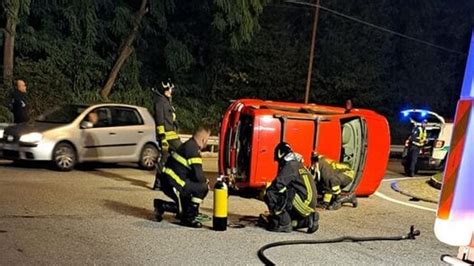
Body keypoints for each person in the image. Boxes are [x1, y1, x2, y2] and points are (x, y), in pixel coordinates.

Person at [153, 127, 211, 228]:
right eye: (207, 139)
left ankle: (162, 206)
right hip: (175, 183)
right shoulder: (193, 150)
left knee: (186, 205)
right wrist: (206, 182)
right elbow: (199, 175)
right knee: (203, 188)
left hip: (169, 181)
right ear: (203, 139)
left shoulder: (188, 145)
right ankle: (188, 218)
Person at [260, 142, 319, 233]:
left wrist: (266, 193)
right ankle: (307, 220)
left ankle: (283, 223)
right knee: (283, 195)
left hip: (304, 203)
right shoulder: (298, 165)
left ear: (281, 154)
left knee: (270, 193)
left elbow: (277, 185)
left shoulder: (290, 166)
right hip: (307, 202)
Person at [152, 80, 182, 190]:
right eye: (169, 89)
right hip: (167, 137)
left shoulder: (166, 101)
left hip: (171, 134)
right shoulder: (160, 102)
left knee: (165, 160)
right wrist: (163, 138)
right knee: (184, 152)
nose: (171, 91)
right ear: (164, 90)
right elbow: (159, 120)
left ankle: (159, 183)